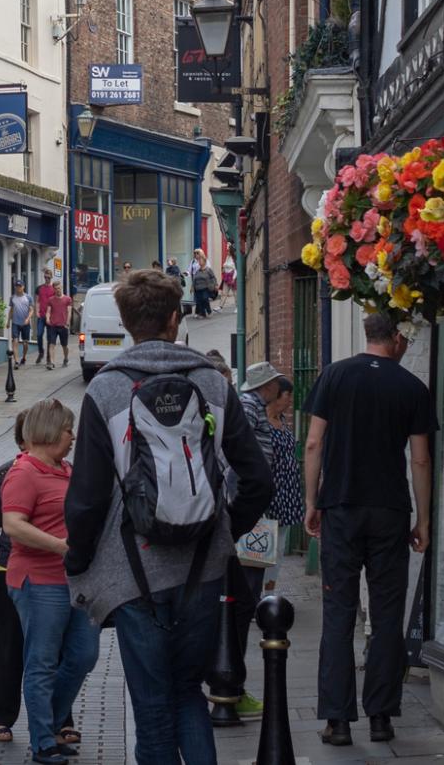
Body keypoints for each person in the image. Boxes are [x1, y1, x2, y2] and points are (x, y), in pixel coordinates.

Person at [65, 270, 272, 765]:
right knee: (187, 696)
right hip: (203, 569)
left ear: (125, 321)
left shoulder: (106, 391)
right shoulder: (211, 383)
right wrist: (222, 529)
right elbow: (257, 479)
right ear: (176, 318)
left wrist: (78, 559)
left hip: (135, 575)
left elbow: (87, 498)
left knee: (153, 708)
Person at [302, 311, 437, 746]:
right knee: (386, 615)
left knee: (338, 614)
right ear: (395, 338)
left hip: (340, 507)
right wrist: (424, 519)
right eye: (405, 339)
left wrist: (311, 500)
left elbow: (313, 442)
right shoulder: (412, 387)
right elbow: (420, 459)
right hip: (389, 511)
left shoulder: (334, 377)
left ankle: (338, 721)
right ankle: (380, 716)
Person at [208, 359, 304, 727]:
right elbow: (248, 473)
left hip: (250, 518)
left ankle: (228, 684)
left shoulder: (244, 408)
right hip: (249, 520)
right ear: (266, 388)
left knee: (241, 600)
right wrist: (245, 519)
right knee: (240, 602)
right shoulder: (249, 411)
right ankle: (228, 685)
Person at [1, 399, 97, 765]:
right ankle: (43, 741)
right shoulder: (24, 472)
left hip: (77, 582)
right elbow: (12, 525)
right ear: (49, 430)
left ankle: (50, 724)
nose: (72, 436)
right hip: (39, 581)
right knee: (41, 661)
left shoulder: (66, 470)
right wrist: (60, 546)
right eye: (68, 428)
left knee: (84, 655)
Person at [41, 283, 71, 370]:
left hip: (63, 326)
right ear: (54, 289)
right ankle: (52, 363)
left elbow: (69, 312)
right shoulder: (51, 300)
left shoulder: (67, 299)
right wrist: (47, 318)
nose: (57, 290)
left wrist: (67, 323)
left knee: (64, 345)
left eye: (59, 288)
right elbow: (48, 311)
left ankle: (65, 358)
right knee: (51, 344)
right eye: (56, 288)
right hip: (53, 325)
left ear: (61, 288)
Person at [9, 279, 37, 367]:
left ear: (23, 287)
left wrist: (28, 318)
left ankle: (24, 357)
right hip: (15, 323)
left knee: (25, 343)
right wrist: (8, 321)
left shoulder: (28, 297)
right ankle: (16, 361)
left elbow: (32, 310)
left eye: (20, 286)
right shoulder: (12, 297)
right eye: (17, 286)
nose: (18, 288)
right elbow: (11, 310)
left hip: (25, 323)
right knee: (15, 341)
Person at [34, 271, 60, 364]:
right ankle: (41, 352)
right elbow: (37, 301)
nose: (47, 279)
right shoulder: (39, 288)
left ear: (51, 278)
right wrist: (36, 311)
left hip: (50, 317)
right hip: (41, 315)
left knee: (50, 337)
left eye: (48, 277)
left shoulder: (54, 289)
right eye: (45, 277)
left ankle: (49, 357)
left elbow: (57, 302)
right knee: (39, 335)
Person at [188, 250, 219, 319]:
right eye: (199, 261)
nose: (199, 262)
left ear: (204, 262)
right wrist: (192, 287)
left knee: (205, 299)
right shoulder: (197, 271)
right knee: (199, 301)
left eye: (201, 261)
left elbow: (213, 277)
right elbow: (194, 279)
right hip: (197, 288)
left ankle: (209, 311)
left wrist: (216, 285)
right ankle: (202, 314)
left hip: (205, 287)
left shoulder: (208, 270)